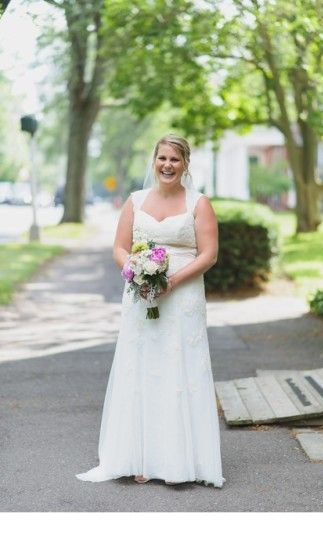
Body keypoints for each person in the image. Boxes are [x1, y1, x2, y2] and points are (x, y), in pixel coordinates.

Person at [77, 134, 224, 487]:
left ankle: (179, 460)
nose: (168, 165)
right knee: (141, 368)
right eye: (162, 159)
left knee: (178, 371)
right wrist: (133, 270)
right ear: (154, 161)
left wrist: (172, 280)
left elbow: (209, 254)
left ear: (185, 164)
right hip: (140, 296)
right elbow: (119, 246)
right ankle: (138, 456)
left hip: (183, 298)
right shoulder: (135, 201)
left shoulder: (199, 204)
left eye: (175, 159)